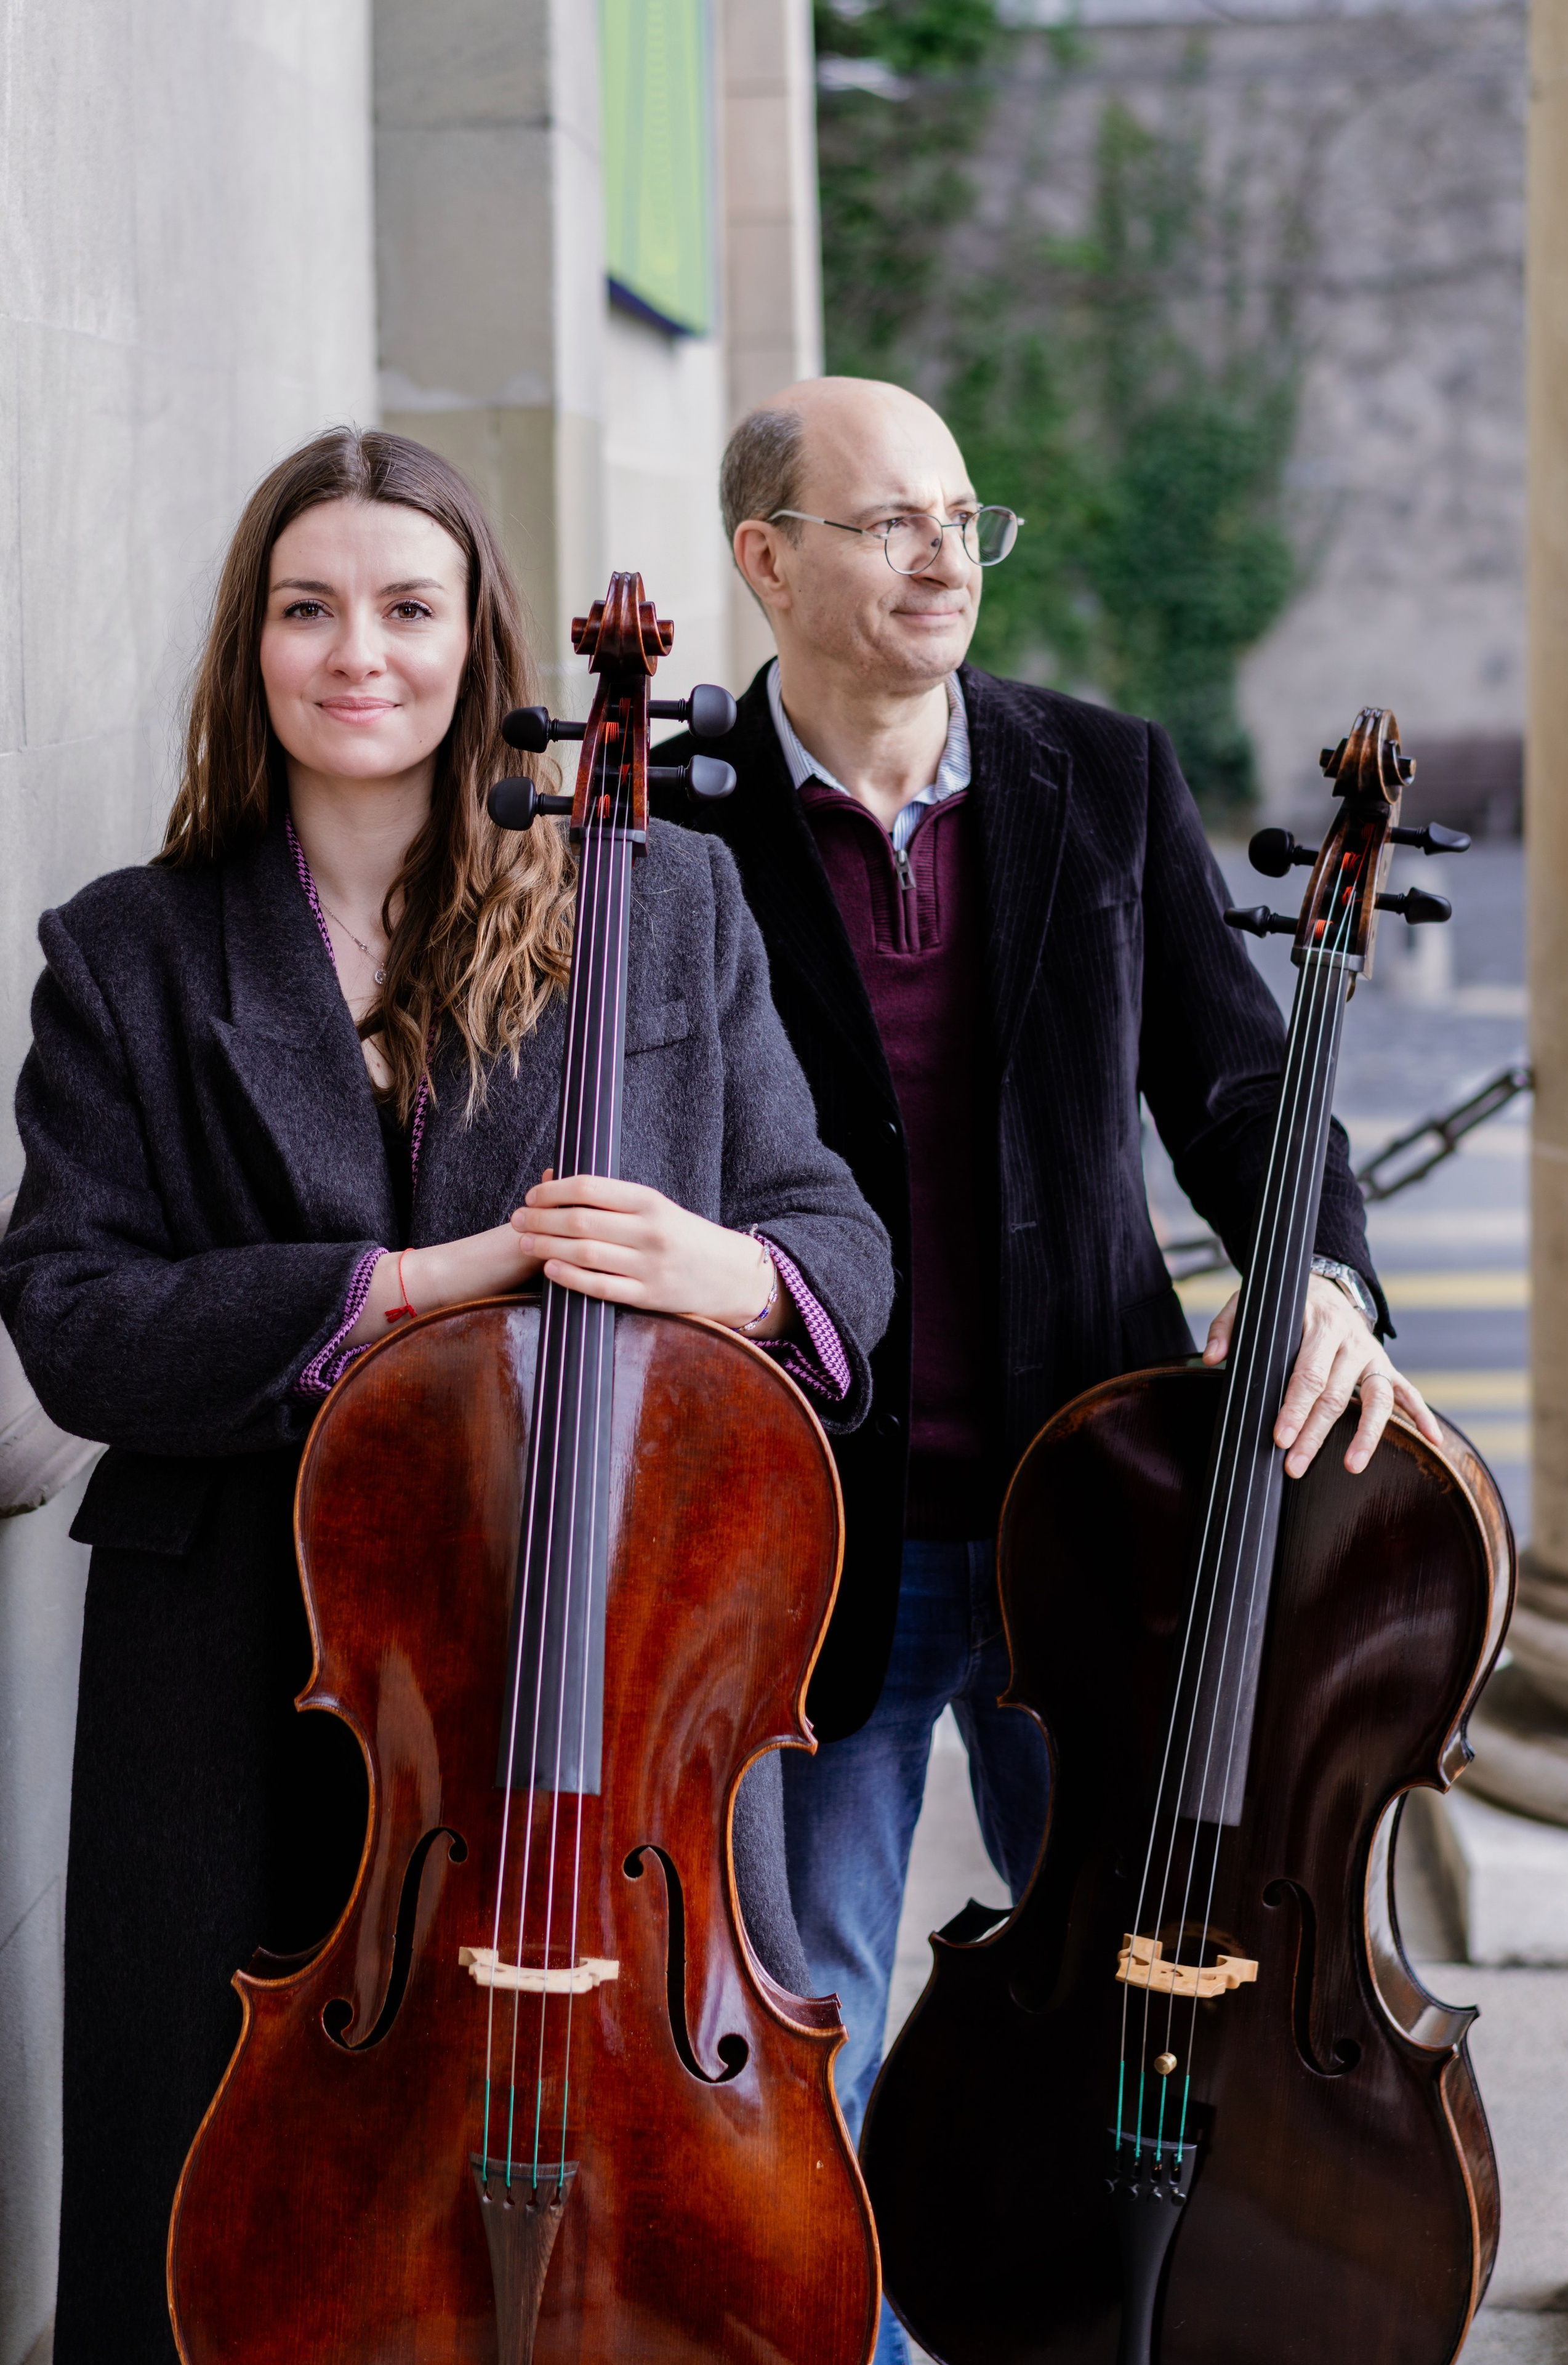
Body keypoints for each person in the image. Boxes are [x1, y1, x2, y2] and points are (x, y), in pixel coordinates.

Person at [0, 427, 892, 2364]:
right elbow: (72, 1313)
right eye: (307, 609)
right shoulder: (129, 955)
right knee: (218, 2212)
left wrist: (735, 1269)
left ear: (480, 642)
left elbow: (834, 1229)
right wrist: (403, 1289)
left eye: (408, 608)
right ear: (252, 648)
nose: (358, 654)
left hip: (584, 1683)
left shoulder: (664, 907)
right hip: (243, 1658)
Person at [651, 374, 1444, 2364]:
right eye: (889, 520)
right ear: (768, 561)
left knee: (1154, 1957)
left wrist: (1326, 1271)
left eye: (962, 517)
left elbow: (1240, 1079)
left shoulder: (1098, 773)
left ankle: (1139, 2319)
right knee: (805, 1981)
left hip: (1096, 1524)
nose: (945, 557)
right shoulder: (668, 824)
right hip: (805, 1527)